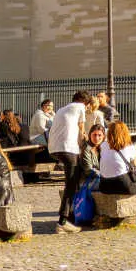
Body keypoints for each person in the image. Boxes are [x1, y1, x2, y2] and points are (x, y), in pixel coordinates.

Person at [47, 90, 89, 234]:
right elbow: (82, 131)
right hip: (68, 148)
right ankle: (63, 221)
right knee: (71, 183)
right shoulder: (80, 107)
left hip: (54, 148)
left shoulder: (61, 109)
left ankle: (71, 215)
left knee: (72, 182)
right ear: (85, 102)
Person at [98, 120, 136, 197]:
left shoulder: (103, 145)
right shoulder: (129, 146)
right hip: (122, 184)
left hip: (104, 186)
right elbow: (135, 167)